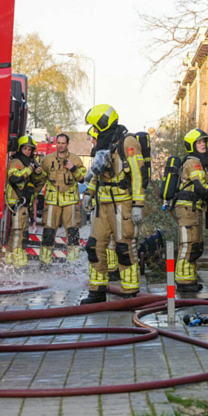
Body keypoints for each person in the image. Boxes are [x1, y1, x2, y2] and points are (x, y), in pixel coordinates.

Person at [80, 104, 145, 304]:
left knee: (124, 247)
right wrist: (90, 193)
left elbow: (137, 174)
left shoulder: (127, 141)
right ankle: (97, 290)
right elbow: (98, 172)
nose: (95, 131)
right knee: (94, 246)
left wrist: (138, 204)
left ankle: (130, 292)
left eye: (96, 126)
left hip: (123, 203)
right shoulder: (102, 144)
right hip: (102, 204)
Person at [174, 128, 208, 292]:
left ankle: (189, 281)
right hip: (186, 210)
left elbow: (201, 191)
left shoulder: (201, 165)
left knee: (195, 246)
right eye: (199, 142)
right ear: (192, 145)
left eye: (204, 141)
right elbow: (201, 188)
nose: (203, 144)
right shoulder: (193, 163)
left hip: (194, 209)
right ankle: (182, 282)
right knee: (187, 245)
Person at [40, 133, 87, 263]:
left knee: (72, 233)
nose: (60, 146)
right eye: (58, 143)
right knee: (48, 232)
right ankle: (45, 263)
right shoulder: (47, 160)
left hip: (70, 201)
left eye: (63, 143)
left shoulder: (75, 159)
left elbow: (82, 178)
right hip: (51, 201)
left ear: (67, 144)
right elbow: (40, 179)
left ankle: (73, 264)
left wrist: (73, 168)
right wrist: (32, 195)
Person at [5, 135, 44, 269]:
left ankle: (9, 260)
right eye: (25, 149)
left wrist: (37, 173)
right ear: (20, 149)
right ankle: (18, 263)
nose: (28, 151)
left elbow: (35, 182)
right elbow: (14, 178)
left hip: (23, 202)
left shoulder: (29, 163)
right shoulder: (16, 162)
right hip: (16, 202)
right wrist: (30, 170)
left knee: (17, 231)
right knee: (18, 232)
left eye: (30, 149)